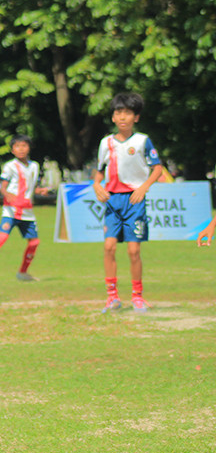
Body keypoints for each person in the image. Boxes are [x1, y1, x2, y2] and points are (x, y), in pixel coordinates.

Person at [92, 93, 163, 313]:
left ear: (136, 117)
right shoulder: (106, 143)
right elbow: (98, 172)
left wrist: (143, 187)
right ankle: (112, 296)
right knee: (109, 246)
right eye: (118, 112)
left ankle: (138, 297)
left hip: (134, 200)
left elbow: (157, 168)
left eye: (127, 113)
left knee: (133, 251)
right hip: (113, 201)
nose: (122, 117)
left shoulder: (142, 141)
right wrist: (97, 186)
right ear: (113, 117)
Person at [0, 135, 51, 285]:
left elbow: (29, 187)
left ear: (29, 148)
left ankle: (23, 272)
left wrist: (39, 190)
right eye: (17, 146)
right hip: (11, 210)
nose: (21, 149)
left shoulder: (34, 166)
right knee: (1, 238)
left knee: (34, 242)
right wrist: (7, 195)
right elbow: (2, 186)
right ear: (12, 150)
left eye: (24, 146)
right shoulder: (10, 166)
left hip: (27, 212)